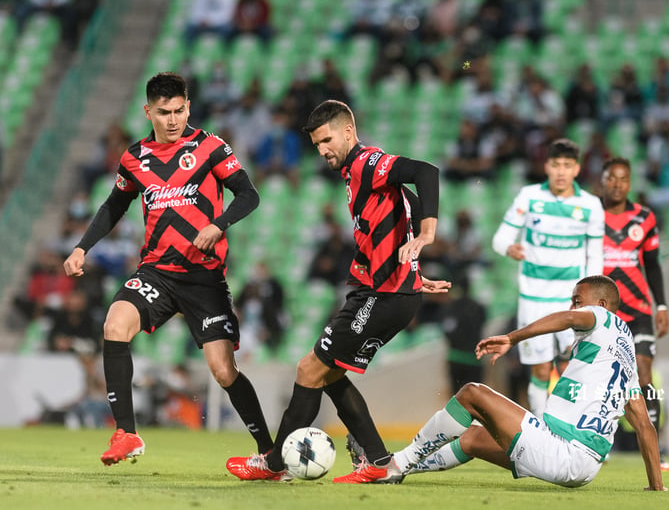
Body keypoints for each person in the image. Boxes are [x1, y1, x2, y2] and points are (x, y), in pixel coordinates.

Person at [225, 99, 451, 483]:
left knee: (309, 369)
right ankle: (377, 461)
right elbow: (407, 205)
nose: (322, 150)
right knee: (327, 375)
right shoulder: (352, 174)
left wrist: (427, 236)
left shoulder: (368, 162)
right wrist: (413, 270)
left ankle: (274, 463)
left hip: (383, 296)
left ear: (348, 131)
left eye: (327, 139)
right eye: (316, 144)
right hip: (389, 291)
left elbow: (426, 173)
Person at [62, 72, 273, 466]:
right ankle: (127, 433)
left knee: (223, 371)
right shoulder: (135, 157)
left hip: (203, 276)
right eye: (163, 113)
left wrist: (218, 224)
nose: (173, 119)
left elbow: (249, 194)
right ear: (148, 112)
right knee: (114, 325)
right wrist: (82, 247)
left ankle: (269, 452)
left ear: (188, 106)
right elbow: (114, 205)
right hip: (156, 271)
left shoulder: (210, 146)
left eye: (179, 110)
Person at [389, 275, 666, 491]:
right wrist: (656, 486)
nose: (574, 307)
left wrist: (512, 338)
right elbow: (644, 425)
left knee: (473, 393)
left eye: (578, 301)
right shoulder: (626, 353)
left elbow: (569, 318)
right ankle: (396, 465)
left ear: (602, 305)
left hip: (561, 449)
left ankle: (396, 463)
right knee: (472, 438)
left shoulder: (601, 317)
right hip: (586, 468)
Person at [492, 138, 604, 418]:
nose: (561, 172)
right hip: (534, 301)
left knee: (574, 366)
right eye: (556, 165)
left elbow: (596, 256)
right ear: (547, 167)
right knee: (540, 369)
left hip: (571, 302)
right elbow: (499, 238)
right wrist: (509, 247)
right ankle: (541, 428)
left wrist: (593, 300)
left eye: (567, 166)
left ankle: (574, 423)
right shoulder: (530, 197)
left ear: (577, 169)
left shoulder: (591, 205)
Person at [600, 157, 669, 467]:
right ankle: (597, 442)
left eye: (623, 179)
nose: (618, 184)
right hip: (602, 312)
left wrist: (662, 305)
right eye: (612, 178)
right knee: (599, 378)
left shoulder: (644, 217)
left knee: (643, 374)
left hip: (639, 309)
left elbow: (653, 265)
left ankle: (656, 450)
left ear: (630, 183)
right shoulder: (590, 216)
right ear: (603, 180)